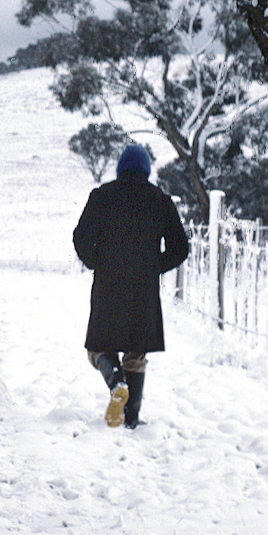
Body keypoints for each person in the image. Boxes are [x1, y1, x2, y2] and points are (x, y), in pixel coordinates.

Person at [71, 144, 190, 427]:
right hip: (143, 286)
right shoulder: (160, 200)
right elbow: (180, 248)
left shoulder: (101, 196)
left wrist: (97, 261)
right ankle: (131, 418)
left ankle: (116, 384)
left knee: (99, 347)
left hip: (108, 283)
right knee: (136, 351)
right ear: (146, 171)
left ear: (120, 168)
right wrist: (154, 266)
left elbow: (80, 239)